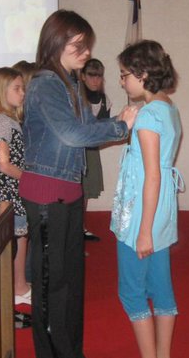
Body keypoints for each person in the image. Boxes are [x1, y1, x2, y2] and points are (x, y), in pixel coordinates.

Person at [21, 9, 138, 358]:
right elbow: (73, 135)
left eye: (87, 45)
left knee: (71, 284)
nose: (86, 52)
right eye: (79, 45)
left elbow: (87, 136)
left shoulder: (70, 83)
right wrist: (120, 127)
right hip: (46, 197)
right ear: (56, 42)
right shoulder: (45, 84)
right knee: (50, 287)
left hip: (68, 194)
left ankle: (71, 352)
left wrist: (118, 122)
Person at [111, 40, 183, 358]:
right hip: (159, 206)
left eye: (124, 74)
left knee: (132, 292)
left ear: (141, 74)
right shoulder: (166, 107)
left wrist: (143, 230)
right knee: (160, 284)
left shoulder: (148, 115)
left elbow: (151, 175)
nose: (122, 81)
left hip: (141, 212)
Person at [0, 67, 31, 329]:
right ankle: (14, 290)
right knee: (11, 244)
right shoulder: (1, 121)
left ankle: (19, 286)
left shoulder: (5, 119)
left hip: (10, 192)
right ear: (2, 91)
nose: (22, 93)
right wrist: (30, 179)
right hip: (8, 194)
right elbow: (4, 164)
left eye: (23, 88)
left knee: (19, 240)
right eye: (17, 88)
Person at [80, 58, 111, 241]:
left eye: (98, 76)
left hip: (91, 151)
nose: (95, 81)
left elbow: (104, 129)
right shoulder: (75, 98)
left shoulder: (105, 100)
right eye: (91, 76)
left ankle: (81, 227)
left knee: (86, 191)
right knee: (74, 191)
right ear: (83, 77)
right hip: (74, 150)